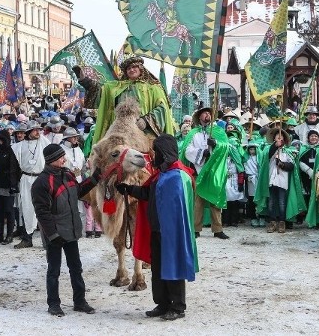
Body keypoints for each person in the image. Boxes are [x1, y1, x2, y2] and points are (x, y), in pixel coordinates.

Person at [116, 134, 197, 321]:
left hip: (173, 233)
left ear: (165, 153)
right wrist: (128, 189)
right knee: (158, 269)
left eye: (157, 152)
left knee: (173, 268)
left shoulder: (179, 177)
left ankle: (177, 306)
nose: (153, 156)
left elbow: (181, 210)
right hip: (157, 230)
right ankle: (162, 303)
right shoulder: (160, 175)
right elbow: (147, 193)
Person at [31, 143, 101, 317]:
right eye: (61, 156)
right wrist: (52, 234)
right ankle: (53, 304)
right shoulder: (42, 182)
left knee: (76, 267)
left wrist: (95, 178)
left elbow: (78, 192)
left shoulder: (68, 174)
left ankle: (79, 301)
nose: (64, 158)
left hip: (70, 230)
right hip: (54, 233)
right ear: (52, 160)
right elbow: (42, 212)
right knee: (54, 270)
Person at [77, 56, 174, 145]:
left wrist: (146, 121)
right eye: (128, 68)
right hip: (121, 132)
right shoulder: (117, 87)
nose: (131, 70)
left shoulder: (154, 88)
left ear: (140, 68)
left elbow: (162, 108)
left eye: (134, 67)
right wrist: (85, 81)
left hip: (145, 132)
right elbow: (102, 94)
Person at [182, 107, 230, 240]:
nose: (207, 115)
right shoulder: (193, 133)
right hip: (199, 170)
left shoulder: (218, 131)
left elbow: (226, 147)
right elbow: (187, 150)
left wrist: (216, 144)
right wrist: (202, 153)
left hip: (213, 170)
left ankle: (218, 229)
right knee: (198, 201)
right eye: (205, 113)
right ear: (200, 116)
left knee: (215, 199)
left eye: (209, 113)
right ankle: (196, 229)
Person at [12, 121, 50, 248]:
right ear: (28, 132)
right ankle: (27, 238)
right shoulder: (18, 147)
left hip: (41, 178)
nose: (37, 132)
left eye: (38, 130)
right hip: (26, 178)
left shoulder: (43, 141)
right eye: (34, 130)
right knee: (27, 208)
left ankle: (48, 240)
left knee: (45, 208)